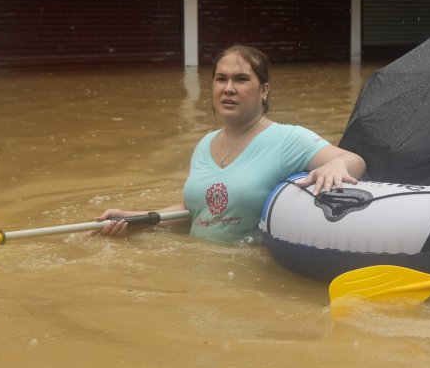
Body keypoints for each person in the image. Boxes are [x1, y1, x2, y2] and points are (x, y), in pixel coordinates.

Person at [95, 45, 366, 242]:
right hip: (197, 274)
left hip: (249, 279)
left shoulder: (287, 139)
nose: (228, 88)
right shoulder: (205, 144)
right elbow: (198, 212)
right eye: (221, 79)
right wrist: (133, 218)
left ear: (264, 91)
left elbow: (355, 161)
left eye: (241, 79)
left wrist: (336, 165)